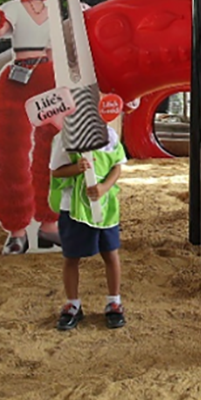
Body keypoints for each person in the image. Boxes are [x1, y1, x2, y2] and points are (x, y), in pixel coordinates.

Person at [0, 0, 62, 255]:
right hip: (18, 76)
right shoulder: (14, 6)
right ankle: (16, 229)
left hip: (50, 76)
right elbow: (1, 29)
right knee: (9, 149)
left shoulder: (60, 12)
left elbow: (66, 45)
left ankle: (49, 224)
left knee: (53, 148)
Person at [49, 123, 127, 330]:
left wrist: (104, 187)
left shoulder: (108, 133)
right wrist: (76, 169)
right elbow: (55, 171)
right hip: (73, 208)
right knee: (71, 257)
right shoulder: (65, 137)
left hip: (105, 207)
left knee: (110, 253)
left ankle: (114, 302)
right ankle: (73, 304)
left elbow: (117, 165)